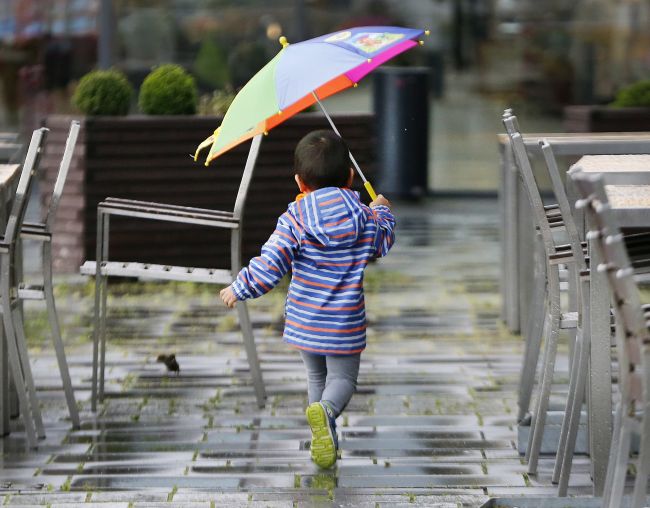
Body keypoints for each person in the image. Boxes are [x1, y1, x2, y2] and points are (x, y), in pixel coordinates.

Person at [219, 130, 395, 468]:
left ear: (299, 183)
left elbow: (270, 263)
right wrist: (383, 211)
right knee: (342, 380)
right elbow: (382, 243)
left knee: (317, 378)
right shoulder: (363, 216)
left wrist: (240, 287)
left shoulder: (294, 219)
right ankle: (326, 413)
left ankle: (322, 436)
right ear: (351, 177)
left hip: (304, 320)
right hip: (344, 323)